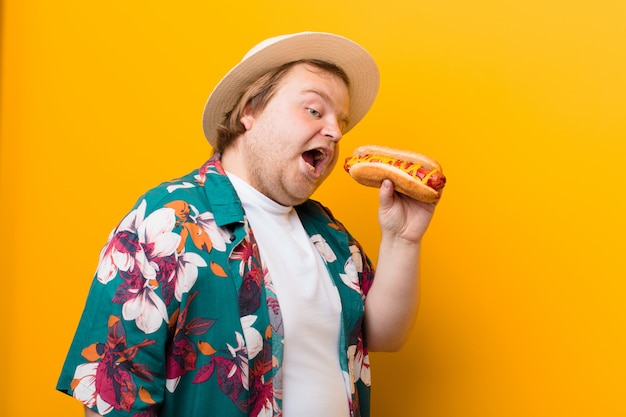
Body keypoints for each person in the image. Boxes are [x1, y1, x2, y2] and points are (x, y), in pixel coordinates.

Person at [56, 31, 439, 417]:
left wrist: (403, 238)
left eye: (341, 121)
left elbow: (383, 335)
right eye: (313, 110)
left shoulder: (327, 232)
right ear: (249, 110)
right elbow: (113, 396)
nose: (336, 132)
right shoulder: (167, 222)